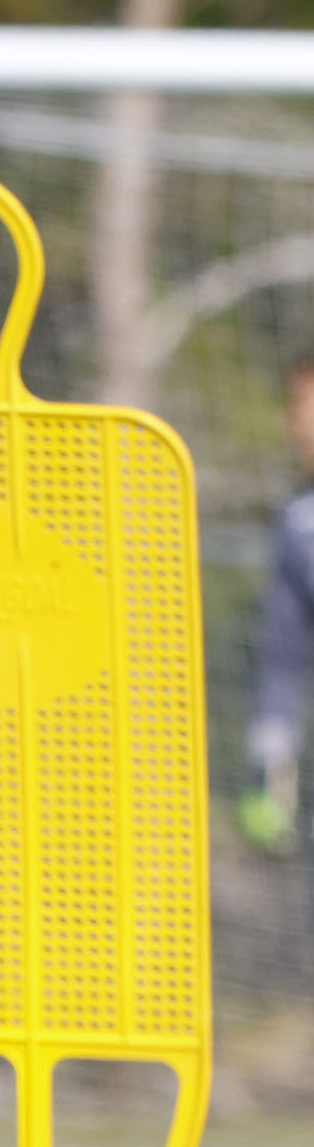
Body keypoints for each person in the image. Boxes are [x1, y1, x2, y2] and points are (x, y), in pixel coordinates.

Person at [242, 355, 314, 854]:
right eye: (295, 410)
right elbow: (283, 654)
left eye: (304, 407)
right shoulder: (297, 524)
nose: (295, 424)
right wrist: (271, 751)